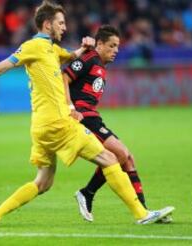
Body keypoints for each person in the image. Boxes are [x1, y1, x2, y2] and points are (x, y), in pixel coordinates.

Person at [0, 0, 174, 226]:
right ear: (47, 24)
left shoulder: (52, 49)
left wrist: (84, 47)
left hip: (40, 128)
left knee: (43, 182)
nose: (65, 27)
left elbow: (71, 56)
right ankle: (141, 213)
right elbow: (0, 68)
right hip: (58, 122)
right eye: (61, 23)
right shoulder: (33, 46)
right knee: (110, 159)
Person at [63, 25, 171, 223]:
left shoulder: (101, 65)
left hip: (93, 116)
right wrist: (70, 107)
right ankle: (87, 193)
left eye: (117, 46)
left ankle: (144, 211)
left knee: (128, 158)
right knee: (120, 154)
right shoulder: (88, 59)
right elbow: (64, 76)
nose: (116, 50)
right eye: (112, 46)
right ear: (100, 44)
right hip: (83, 117)